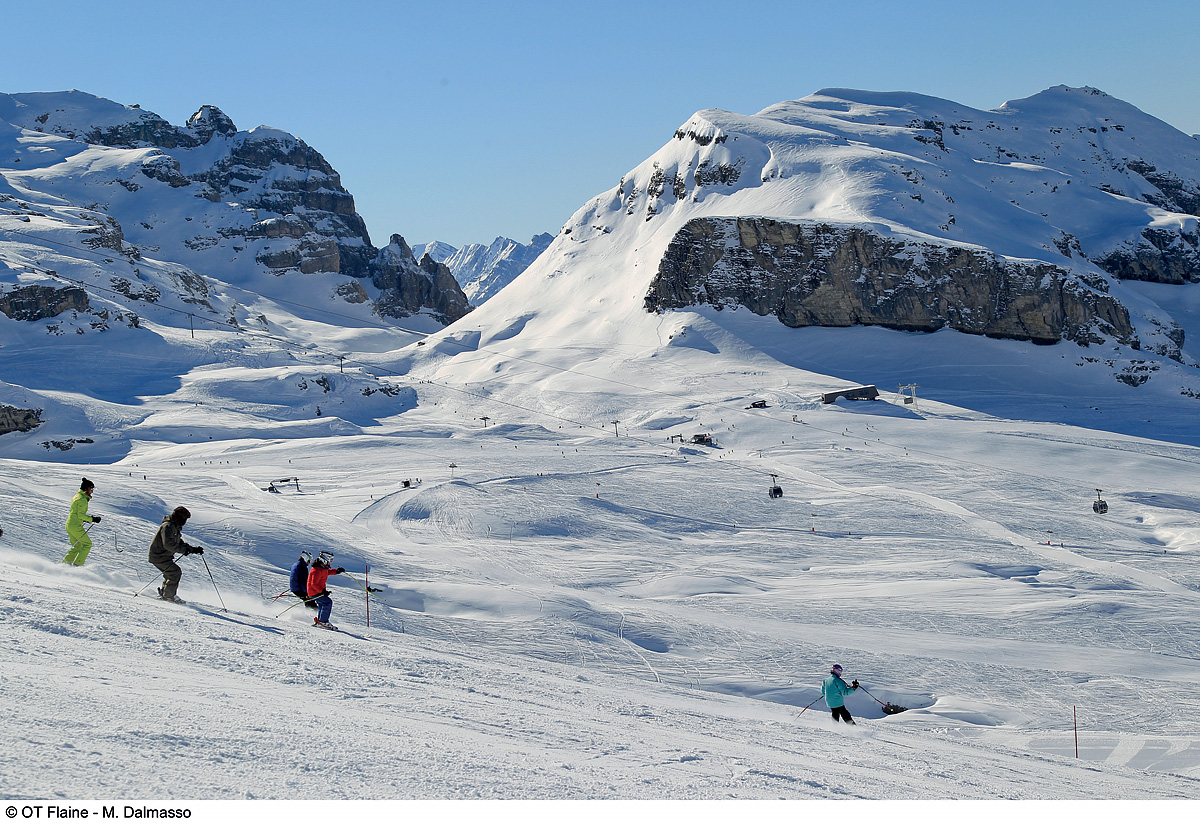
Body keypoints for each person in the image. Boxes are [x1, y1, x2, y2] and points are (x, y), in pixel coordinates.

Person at [148, 506, 204, 603]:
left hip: (163, 556)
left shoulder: (174, 527)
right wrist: (183, 550)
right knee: (175, 573)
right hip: (159, 556)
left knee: (171, 573)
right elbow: (168, 544)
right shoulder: (168, 526)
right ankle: (169, 596)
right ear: (180, 517)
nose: (185, 521)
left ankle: (165, 593)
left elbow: (178, 542)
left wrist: (193, 549)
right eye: (185, 518)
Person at [63, 478, 101, 565]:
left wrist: (85, 519)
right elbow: (80, 515)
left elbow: (76, 512)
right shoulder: (82, 500)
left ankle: (65, 564)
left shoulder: (77, 496)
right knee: (87, 544)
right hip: (75, 525)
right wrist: (93, 519)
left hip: (70, 524)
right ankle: (77, 565)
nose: (92, 492)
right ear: (86, 489)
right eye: (91, 489)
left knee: (78, 545)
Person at [307, 551, 346, 630]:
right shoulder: (316, 570)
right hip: (314, 591)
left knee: (323, 604)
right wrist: (322, 591)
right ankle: (323, 621)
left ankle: (320, 621)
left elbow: (326, 572)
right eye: (330, 560)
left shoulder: (322, 568)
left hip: (317, 591)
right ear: (324, 559)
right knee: (327, 602)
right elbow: (313, 584)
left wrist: (336, 571)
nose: (330, 562)